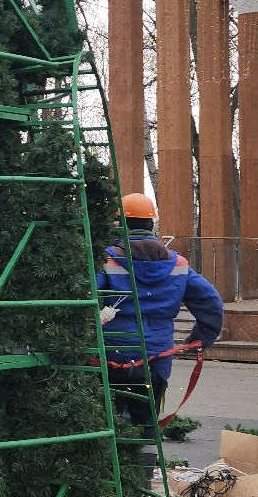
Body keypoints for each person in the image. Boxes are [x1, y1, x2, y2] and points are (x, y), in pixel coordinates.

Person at [96, 192, 224, 449]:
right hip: (155, 360)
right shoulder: (177, 263)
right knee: (145, 428)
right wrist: (201, 338)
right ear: (151, 224)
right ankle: (143, 479)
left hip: (111, 358)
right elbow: (211, 303)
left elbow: (86, 300)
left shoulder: (107, 259)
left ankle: (116, 483)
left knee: (108, 430)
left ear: (119, 224)